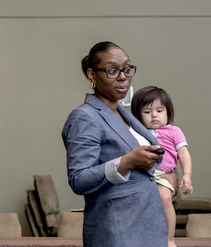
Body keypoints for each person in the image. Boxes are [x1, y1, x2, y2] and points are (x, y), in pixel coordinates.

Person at [62, 41, 167, 247]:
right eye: (112, 71)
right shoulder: (84, 117)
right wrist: (128, 161)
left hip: (149, 228)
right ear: (92, 75)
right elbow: (79, 179)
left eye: (127, 69)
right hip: (117, 231)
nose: (122, 77)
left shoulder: (125, 114)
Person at [132, 86, 193, 247]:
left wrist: (187, 174)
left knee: (165, 198)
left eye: (159, 110)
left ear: (168, 113)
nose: (154, 115)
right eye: (147, 112)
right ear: (137, 115)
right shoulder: (137, 132)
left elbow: (184, 153)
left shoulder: (174, 131)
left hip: (162, 175)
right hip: (141, 175)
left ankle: (169, 239)